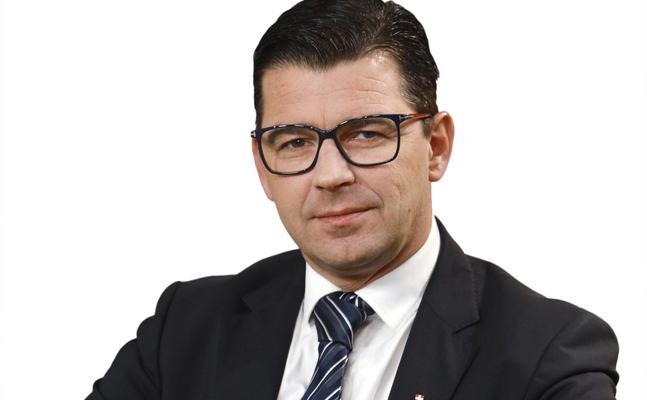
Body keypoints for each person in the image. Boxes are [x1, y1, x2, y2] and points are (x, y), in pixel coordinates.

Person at [86, 0, 619, 399]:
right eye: (295, 143)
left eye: (366, 134)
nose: (330, 175)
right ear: (263, 168)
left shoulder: (550, 355)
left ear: (435, 147)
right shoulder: (185, 328)